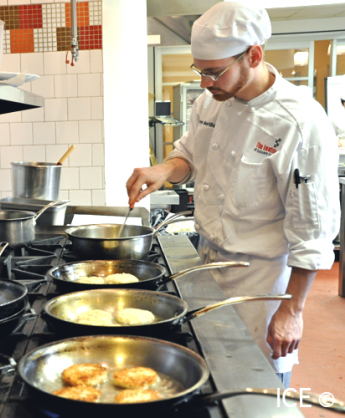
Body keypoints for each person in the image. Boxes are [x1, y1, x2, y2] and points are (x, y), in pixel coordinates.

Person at [126, 2, 339, 388]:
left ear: (254, 55)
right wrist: (163, 169)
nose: (205, 82)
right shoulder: (210, 101)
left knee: (255, 387)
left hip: (262, 282)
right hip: (206, 263)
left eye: (214, 72)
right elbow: (189, 154)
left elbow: (313, 230)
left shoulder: (300, 123)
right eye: (200, 71)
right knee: (208, 375)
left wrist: (293, 310)